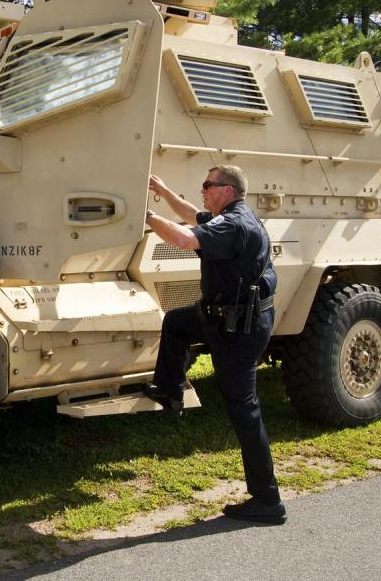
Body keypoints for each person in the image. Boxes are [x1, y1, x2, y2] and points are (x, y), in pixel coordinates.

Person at [143, 165, 285, 525]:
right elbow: (192, 215)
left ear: (228, 190)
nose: (203, 190)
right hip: (223, 316)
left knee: (243, 408)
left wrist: (143, 215)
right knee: (176, 323)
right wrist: (162, 189)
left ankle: (267, 501)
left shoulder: (234, 225)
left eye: (208, 185)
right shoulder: (232, 217)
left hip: (239, 327)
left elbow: (184, 239)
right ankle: (170, 391)